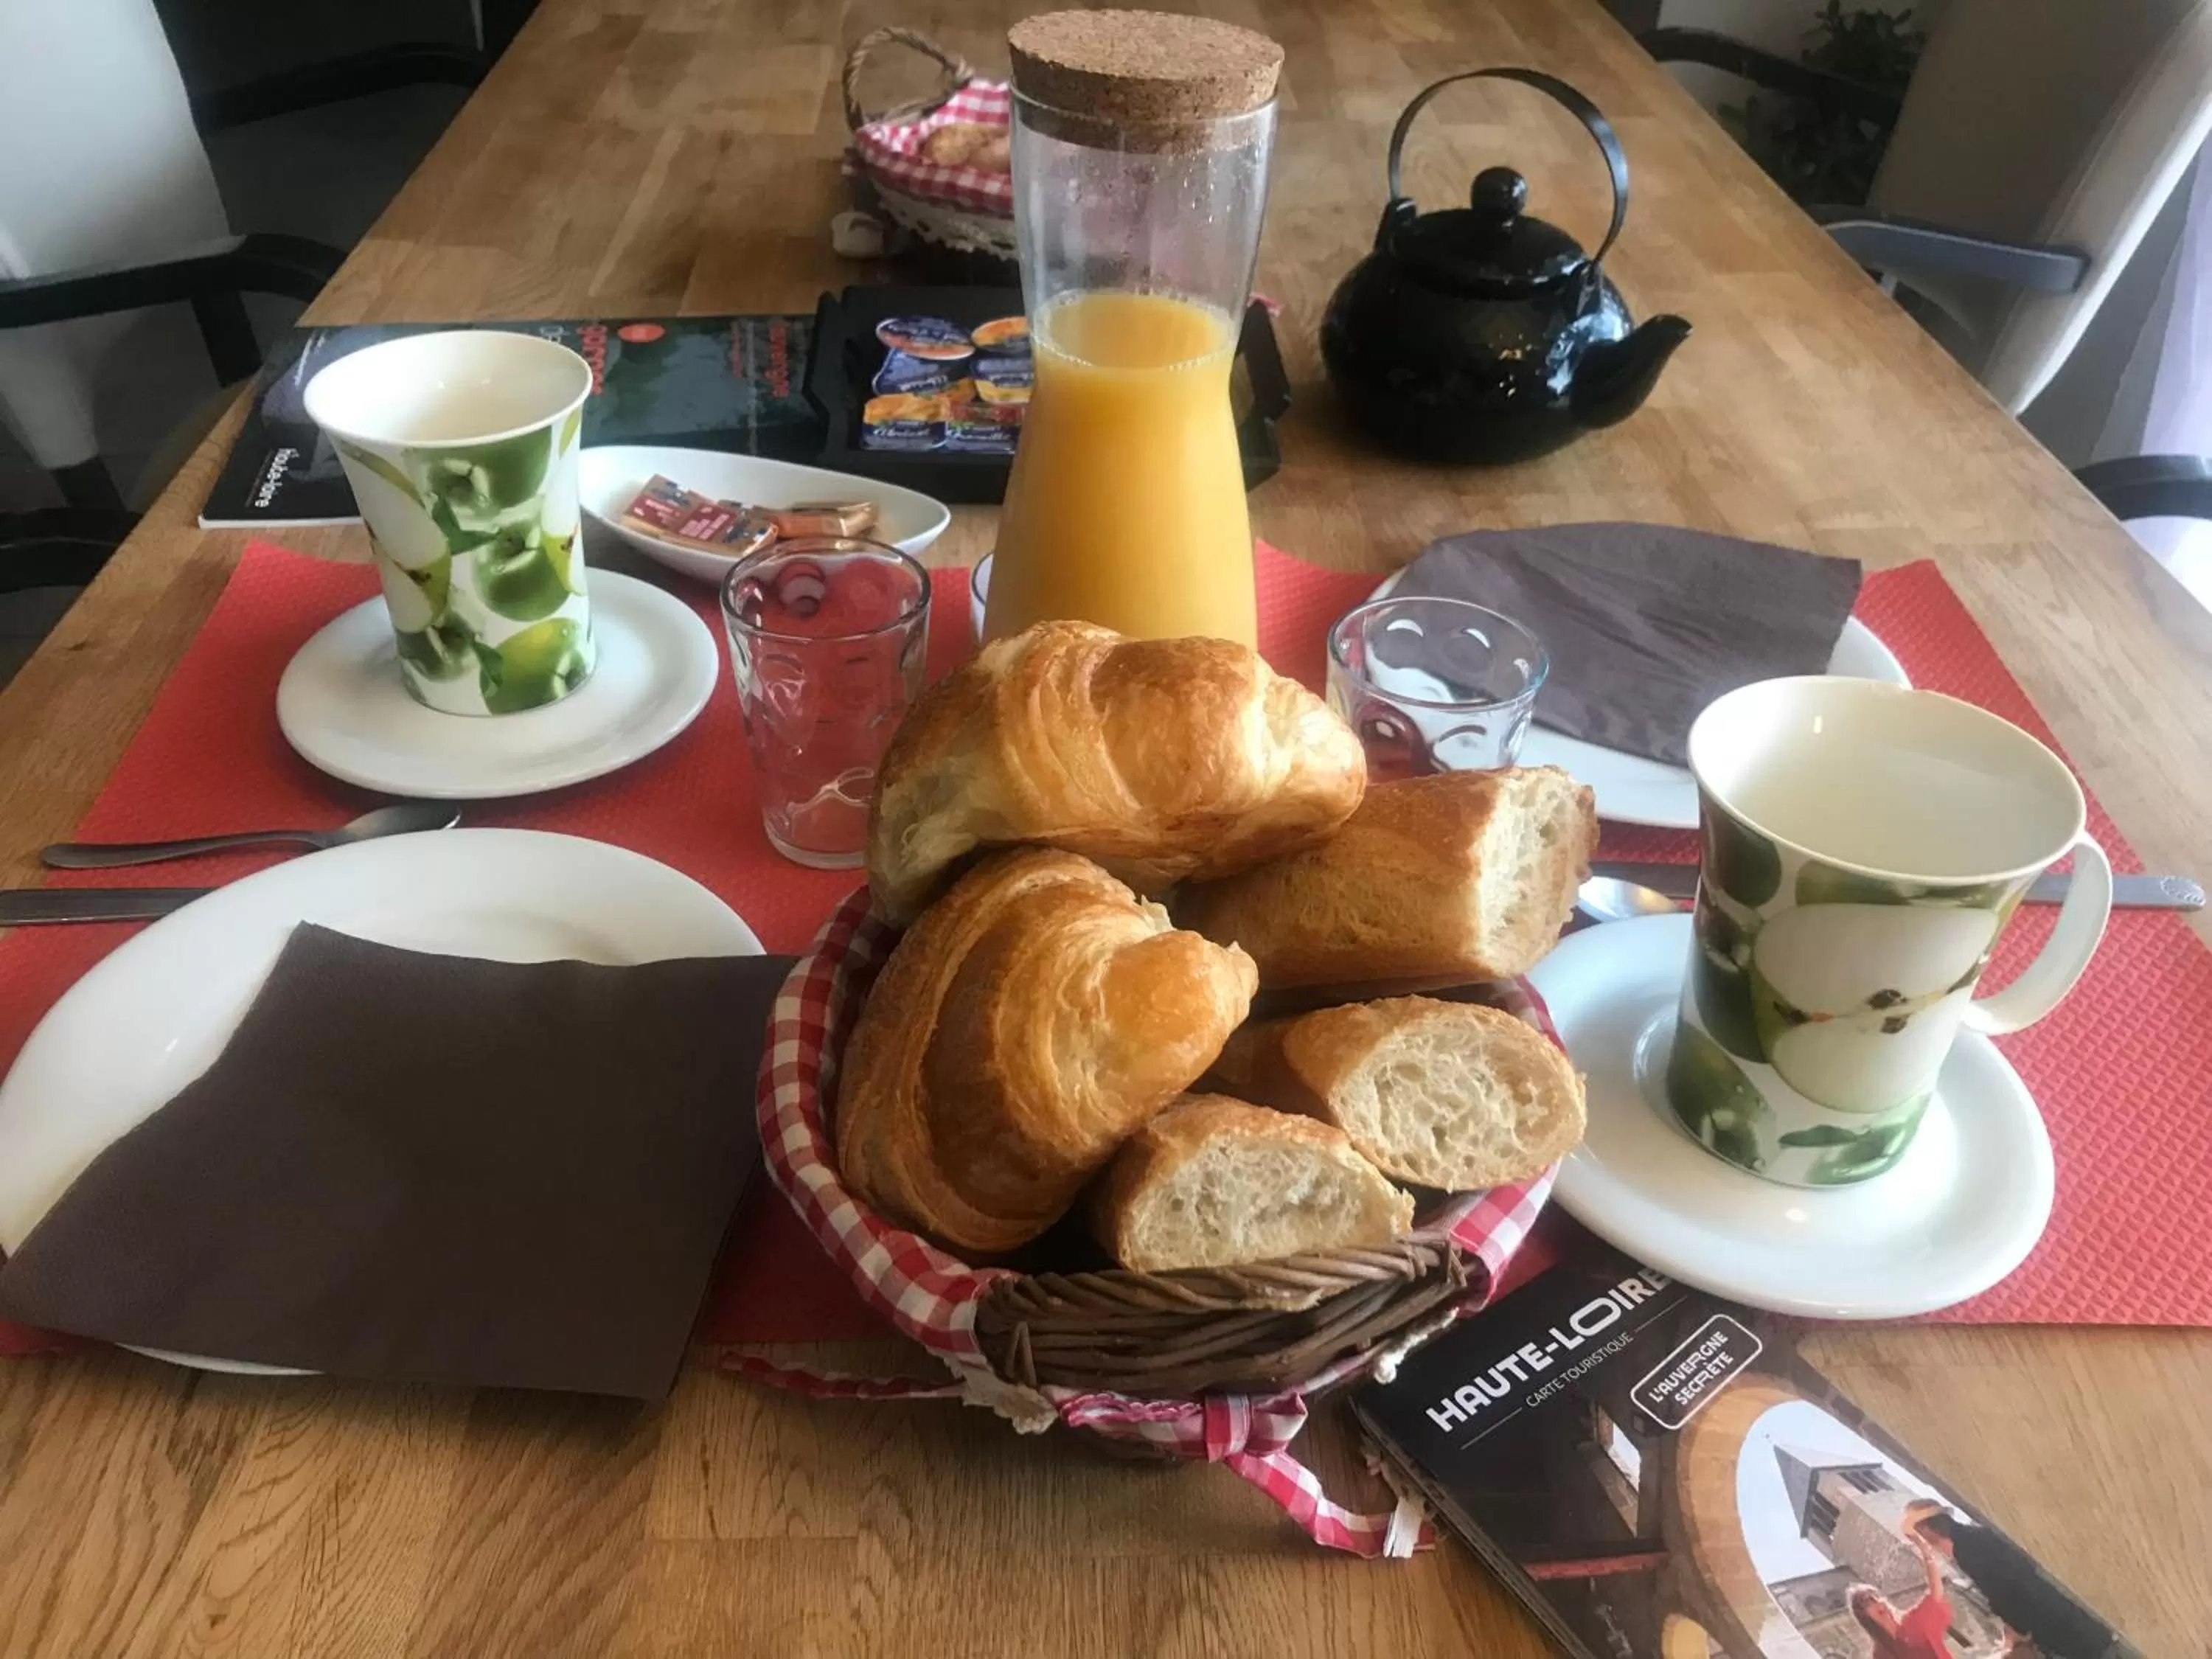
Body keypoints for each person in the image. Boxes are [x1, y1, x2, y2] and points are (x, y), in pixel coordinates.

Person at [1905, 1503, 2131, 1658]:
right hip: (2069, 1626)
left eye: (1919, 1534)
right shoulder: (1973, 1540)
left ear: (1926, 1528)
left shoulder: (1968, 1550)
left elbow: (2009, 1589)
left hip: (2064, 1629)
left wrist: (2017, 1630)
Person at [1845, 1534, 1959, 1659]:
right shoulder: (1881, 1655)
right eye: (1868, 1602)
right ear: (1865, 1617)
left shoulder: (1911, 1624)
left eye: (1876, 1597)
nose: (1877, 1602)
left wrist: (1926, 1554)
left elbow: (1936, 1591)